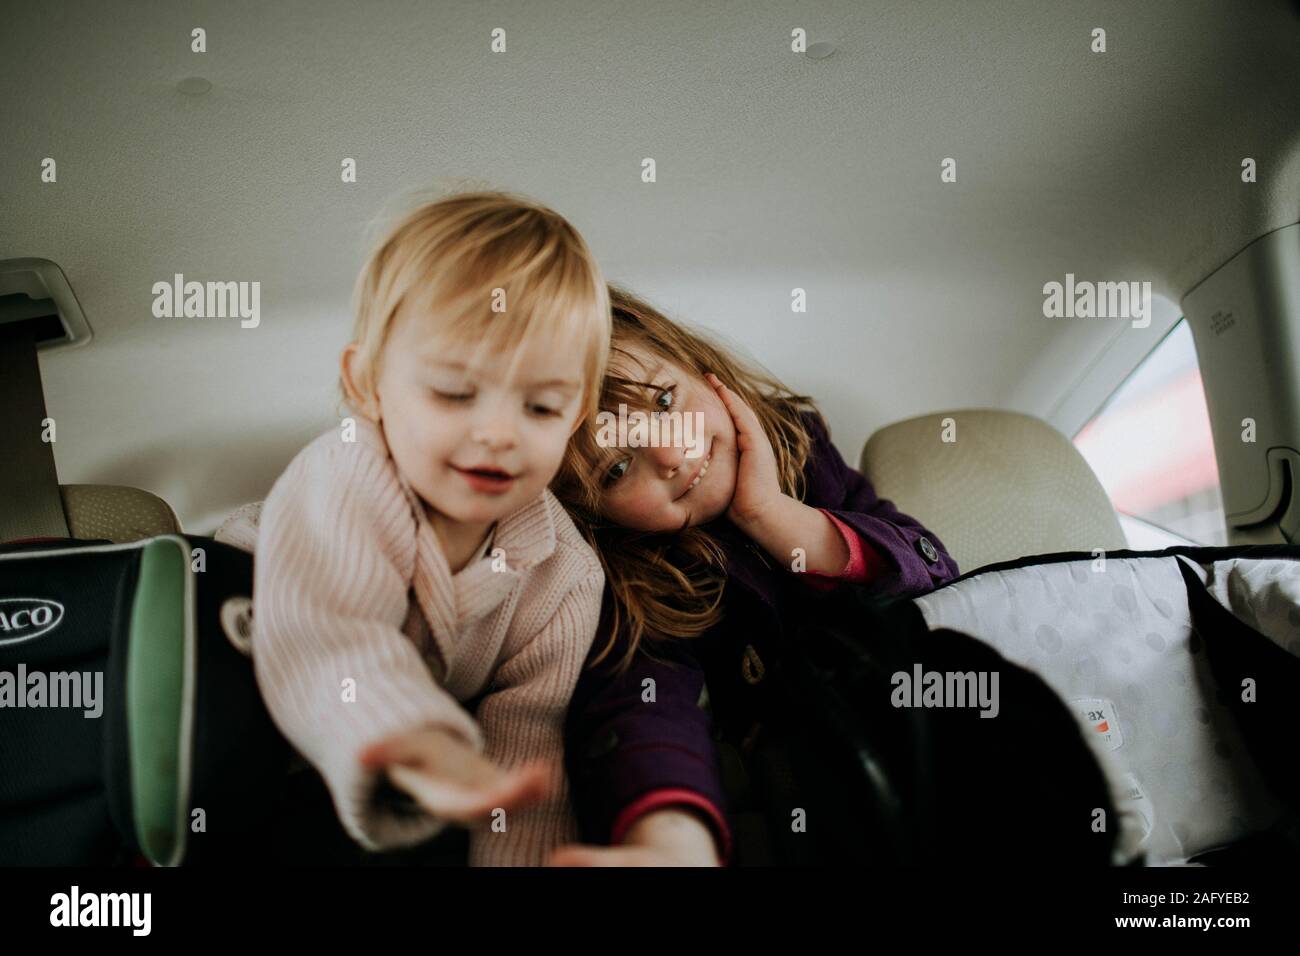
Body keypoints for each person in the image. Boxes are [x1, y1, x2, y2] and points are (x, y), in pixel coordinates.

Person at [216, 190, 610, 866]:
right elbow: (335, 642)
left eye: (541, 407)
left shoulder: (565, 577)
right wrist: (414, 738)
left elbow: (528, 740)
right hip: (255, 686)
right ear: (367, 384)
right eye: (455, 393)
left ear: (575, 418)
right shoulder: (345, 476)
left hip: (411, 764)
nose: (497, 434)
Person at [548, 286, 960, 865]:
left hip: (924, 700)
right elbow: (641, 705)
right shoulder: (634, 578)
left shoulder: (800, 446)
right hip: (811, 766)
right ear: (594, 513)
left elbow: (936, 569)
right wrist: (669, 839)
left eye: (664, 403)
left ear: (699, 366)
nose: (669, 456)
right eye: (616, 467)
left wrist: (774, 515)